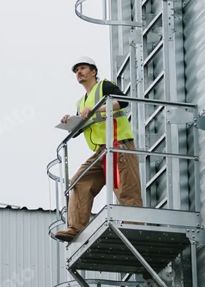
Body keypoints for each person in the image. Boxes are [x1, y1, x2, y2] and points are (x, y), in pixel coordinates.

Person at [53, 56, 142, 242]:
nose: (79, 72)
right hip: (101, 151)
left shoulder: (105, 87)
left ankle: (135, 228)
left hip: (119, 145)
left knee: (125, 188)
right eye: (76, 70)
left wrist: (95, 109)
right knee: (78, 181)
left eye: (83, 68)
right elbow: (78, 130)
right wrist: (69, 121)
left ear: (93, 71)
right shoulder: (81, 102)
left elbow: (123, 101)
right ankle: (74, 228)